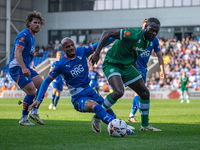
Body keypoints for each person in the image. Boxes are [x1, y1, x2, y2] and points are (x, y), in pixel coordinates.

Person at [28, 37, 134, 134]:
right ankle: (119, 128)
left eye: (72, 45)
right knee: (95, 106)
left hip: (90, 91)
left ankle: (117, 124)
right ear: (63, 50)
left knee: (108, 109)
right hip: (78, 97)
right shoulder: (60, 64)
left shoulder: (82, 51)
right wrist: (38, 99)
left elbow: (100, 43)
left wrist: (118, 35)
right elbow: (46, 81)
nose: (71, 48)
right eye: (67, 47)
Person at [90, 17, 162, 131]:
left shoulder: (148, 42)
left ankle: (145, 125)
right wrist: (97, 53)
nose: (154, 33)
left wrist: (136, 71)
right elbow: (107, 33)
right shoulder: (132, 33)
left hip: (127, 66)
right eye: (152, 29)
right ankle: (97, 116)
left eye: (156, 31)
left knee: (144, 92)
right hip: (112, 63)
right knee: (119, 91)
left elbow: (132, 55)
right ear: (145, 27)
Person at [8, 11, 45, 126]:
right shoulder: (24, 34)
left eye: (39, 23)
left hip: (25, 66)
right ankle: (24, 119)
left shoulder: (32, 37)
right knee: (32, 91)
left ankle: (34, 112)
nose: (37, 25)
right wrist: (24, 67)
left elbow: (26, 55)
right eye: (35, 22)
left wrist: (28, 66)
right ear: (29, 23)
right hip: (17, 67)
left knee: (42, 85)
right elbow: (17, 52)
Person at [128, 18, 166, 123]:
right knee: (139, 93)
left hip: (143, 70)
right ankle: (144, 117)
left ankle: (131, 115)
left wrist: (162, 70)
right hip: (134, 68)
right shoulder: (137, 37)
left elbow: (159, 56)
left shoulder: (154, 40)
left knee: (139, 93)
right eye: (144, 26)